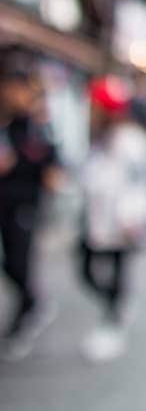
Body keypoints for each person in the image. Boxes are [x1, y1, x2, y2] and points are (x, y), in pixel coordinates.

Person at [78, 76, 146, 362]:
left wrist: (133, 216)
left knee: (117, 271)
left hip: (122, 222)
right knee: (87, 269)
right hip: (97, 217)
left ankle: (113, 320)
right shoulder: (99, 139)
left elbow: (142, 182)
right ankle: (117, 307)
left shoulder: (132, 142)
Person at [0, 52, 60, 360]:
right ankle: (31, 304)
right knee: (9, 260)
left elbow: (50, 165)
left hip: (24, 200)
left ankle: (29, 310)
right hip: (7, 199)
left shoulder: (36, 124)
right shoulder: (8, 121)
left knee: (18, 260)